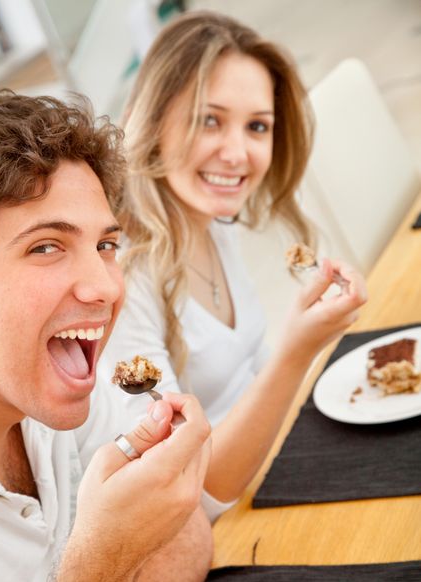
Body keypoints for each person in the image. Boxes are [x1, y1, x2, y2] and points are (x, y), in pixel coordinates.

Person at [0, 89, 213, 582]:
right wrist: (107, 565)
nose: (105, 287)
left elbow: (186, 538)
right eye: (47, 246)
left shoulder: (48, 386)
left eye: (105, 245)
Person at [98, 10, 368, 519]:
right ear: (155, 120)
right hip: (223, 531)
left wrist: (304, 336)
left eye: (257, 126)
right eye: (210, 120)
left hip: (274, 473)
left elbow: (249, 371)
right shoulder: (121, 281)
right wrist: (298, 349)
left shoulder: (209, 220)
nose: (238, 153)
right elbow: (193, 487)